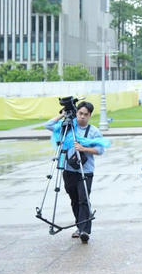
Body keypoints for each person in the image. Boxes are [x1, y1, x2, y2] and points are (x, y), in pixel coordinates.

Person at [45, 101, 107, 243]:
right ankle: (79, 226)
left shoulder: (94, 131)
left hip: (86, 171)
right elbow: (48, 125)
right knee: (74, 199)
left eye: (86, 114)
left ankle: (84, 230)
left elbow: (100, 150)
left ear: (90, 115)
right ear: (76, 113)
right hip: (68, 169)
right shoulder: (68, 127)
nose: (82, 117)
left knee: (84, 199)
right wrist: (62, 115)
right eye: (80, 113)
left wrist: (84, 148)